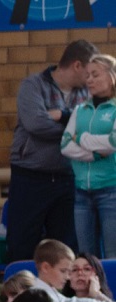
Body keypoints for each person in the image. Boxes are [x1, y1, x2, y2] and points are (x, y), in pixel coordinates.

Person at [6, 39, 98, 262]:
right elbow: (35, 124)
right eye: (89, 72)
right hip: (30, 177)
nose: (91, 78)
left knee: (66, 248)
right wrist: (75, 132)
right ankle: (20, 284)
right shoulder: (33, 85)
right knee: (22, 243)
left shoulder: (87, 93)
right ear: (77, 65)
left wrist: (63, 116)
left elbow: (94, 125)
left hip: (68, 179)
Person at [61, 53, 116, 259]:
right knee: (86, 257)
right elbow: (65, 145)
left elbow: (113, 143)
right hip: (82, 193)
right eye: (87, 76)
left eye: (95, 74)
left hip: (111, 191)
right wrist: (95, 155)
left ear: (111, 76)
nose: (89, 80)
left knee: (112, 255)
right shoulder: (80, 110)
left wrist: (81, 137)